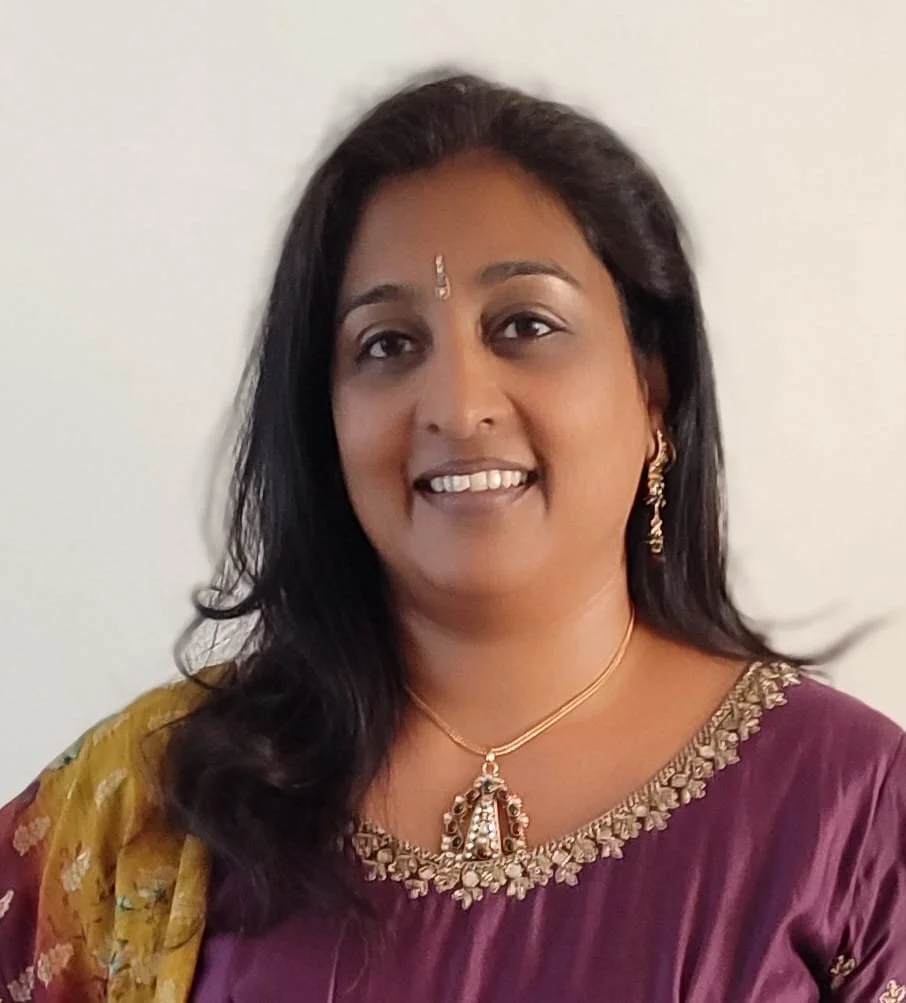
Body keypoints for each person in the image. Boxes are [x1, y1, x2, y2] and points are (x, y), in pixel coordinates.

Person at [1, 70, 903, 1003]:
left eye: (524, 325)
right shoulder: (152, 801)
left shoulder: (850, 811)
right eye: (387, 343)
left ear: (654, 386)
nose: (459, 404)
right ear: (324, 416)